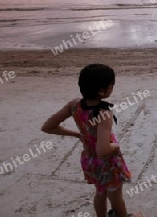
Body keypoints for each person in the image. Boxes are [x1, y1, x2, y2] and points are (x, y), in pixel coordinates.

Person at [41, 64, 142, 217]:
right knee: (116, 197)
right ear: (102, 91)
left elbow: (48, 127)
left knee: (100, 193)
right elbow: (102, 151)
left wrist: (78, 135)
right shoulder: (103, 113)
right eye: (111, 86)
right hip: (107, 163)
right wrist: (116, 146)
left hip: (89, 160)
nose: (112, 88)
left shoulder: (74, 105)